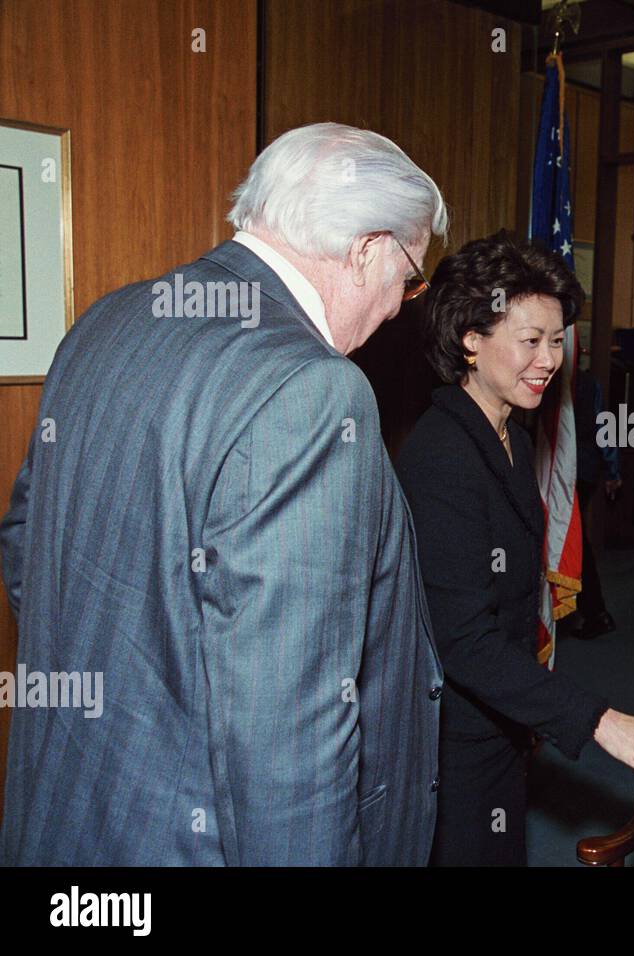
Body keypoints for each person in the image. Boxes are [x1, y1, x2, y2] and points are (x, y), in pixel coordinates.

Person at [0, 122, 446, 866]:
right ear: (368, 248)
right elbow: (288, 732)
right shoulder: (313, 390)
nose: (401, 305)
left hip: (68, 816)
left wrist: (136, 695)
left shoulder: (107, 320)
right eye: (410, 276)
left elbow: (25, 544)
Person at [396, 230, 634, 866]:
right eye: (530, 340)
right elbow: (462, 641)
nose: (548, 359)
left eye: (558, 341)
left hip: (503, 719)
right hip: (454, 737)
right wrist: (602, 721)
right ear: (470, 341)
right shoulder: (442, 457)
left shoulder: (506, 433)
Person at [570, 361, 621, 639]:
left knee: (573, 541)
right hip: (586, 469)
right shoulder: (589, 383)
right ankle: (592, 611)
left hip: (568, 472)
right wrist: (612, 470)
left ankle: (595, 611)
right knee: (576, 540)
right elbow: (605, 429)